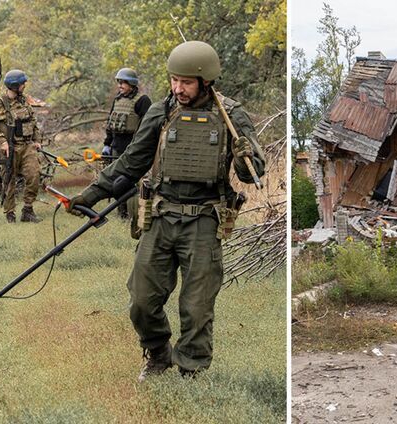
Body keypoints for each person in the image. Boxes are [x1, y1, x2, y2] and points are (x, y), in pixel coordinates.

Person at [68, 40, 265, 382]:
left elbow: (253, 173)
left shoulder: (231, 117)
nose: (178, 88)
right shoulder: (161, 112)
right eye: (174, 80)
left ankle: (191, 371)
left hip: (205, 220)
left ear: (206, 82)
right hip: (160, 216)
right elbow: (132, 162)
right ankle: (158, 353)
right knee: (141, 301)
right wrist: (92, 194)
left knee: (197, 306)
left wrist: (244, 154)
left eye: (186, 82)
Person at [0, 69, 43, 223]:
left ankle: (28, 210)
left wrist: (37, 140)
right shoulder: (0, 103)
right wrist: (2, 141)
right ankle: (10, 214)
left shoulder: (24, 100)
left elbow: (33, 122)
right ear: (14, 85)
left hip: (27, 146)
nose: (25, 85)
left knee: (34, 175)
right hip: (11, 148)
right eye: (23, 83)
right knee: (9, 180)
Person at [103, 68, 151, 218]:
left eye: (123, 82)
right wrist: (107, 144)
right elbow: (111, 124)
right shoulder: (118, 100)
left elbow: (147, 126)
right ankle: (122, 212)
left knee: (135, 182)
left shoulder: (142, 101)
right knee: (118, 181)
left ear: (131, 83)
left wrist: (142, 147)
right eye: (119, 82)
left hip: (133, 148)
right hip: (117, 147)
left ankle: (137, 213)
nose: (120, 85)